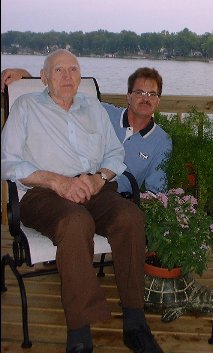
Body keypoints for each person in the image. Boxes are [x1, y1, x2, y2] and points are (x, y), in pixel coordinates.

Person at [1, 49, 164, 353]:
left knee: (130, 217)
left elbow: (116, 155)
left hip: (93, 187)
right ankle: (79, 330)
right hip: (43, 192)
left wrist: (98, 178)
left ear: (80, 76)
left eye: (73, 70)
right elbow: (8, 162)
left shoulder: (95, 108)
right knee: (77, 222)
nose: (67, 76)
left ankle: (134, 321)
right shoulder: (26, 106)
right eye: (59, 70)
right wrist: (56, 181)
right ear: (45, 77)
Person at [1, 66, 172, 195]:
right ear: (128, 96)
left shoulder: (162, 141)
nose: (145, 99)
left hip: (117, 200)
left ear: (158, 101)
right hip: (82, 188)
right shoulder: (102, 112)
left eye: (152, 94)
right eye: (139, 92)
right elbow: (61, 96)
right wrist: (27, 78)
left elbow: (156, 191)